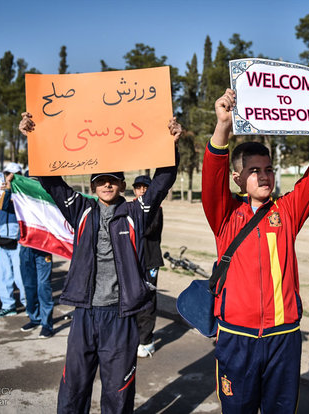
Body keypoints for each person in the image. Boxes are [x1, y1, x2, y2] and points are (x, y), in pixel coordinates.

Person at [19, 112, 181, 414]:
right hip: (85, 314)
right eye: (101, 181)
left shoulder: (136, 212)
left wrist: (170, 146)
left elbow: (162, 182)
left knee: (117, 393)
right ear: (93, 186)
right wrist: (34, 137)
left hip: (121, 315)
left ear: (121, 183)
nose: (107, 185)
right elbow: (51, 180)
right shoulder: (80, 209)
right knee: (73, 388)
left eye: (113, 180)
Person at [202, 88, 309, 413]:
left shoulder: (288, 210)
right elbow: (212, 177)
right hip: (236, 337)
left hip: (284, 336)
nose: (265, 176)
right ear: (238, 178)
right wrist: (223, 126)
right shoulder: (225, 215)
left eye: (268, 169)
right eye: (255, 171)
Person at [132, 175, 165, 358]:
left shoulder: (156, 208)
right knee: (133, 299)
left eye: (146, 187)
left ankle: (146, 341)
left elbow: (147, 230)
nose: (142, 191)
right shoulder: (131, 207)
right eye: (138, 187)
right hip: (133, 260)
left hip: (150, 261)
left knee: (148, 301)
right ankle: (135, 337)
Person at [0, 163, 26, 318]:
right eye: (8, 174)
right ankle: (8, 305)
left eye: (15, 174)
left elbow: (6, 205)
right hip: (3, 236)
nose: (10, 177)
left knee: (20, 275)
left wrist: (10, 187)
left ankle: (28, 305)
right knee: (4, 274)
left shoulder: (22, 192)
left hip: (18, 238)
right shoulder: (0, 189)